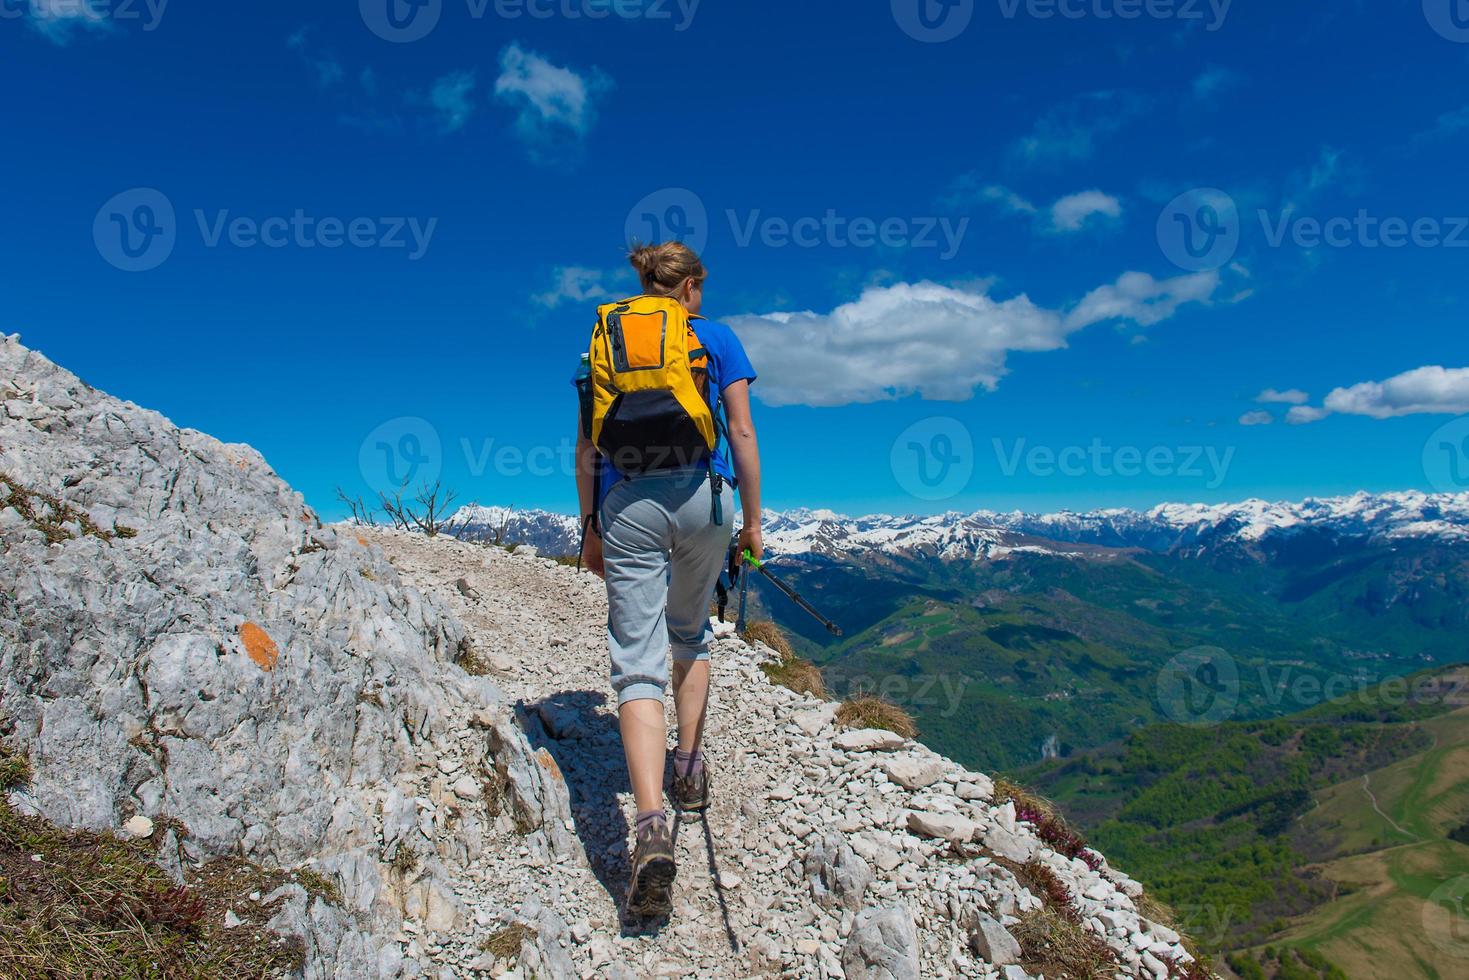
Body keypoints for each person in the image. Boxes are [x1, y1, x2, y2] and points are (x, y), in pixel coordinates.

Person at [574, 241, 763, 919]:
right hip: (703, 498)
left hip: (627, 503)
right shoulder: (714, 340)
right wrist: (753, 522)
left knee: (634, 665)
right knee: (690, 633)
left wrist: (590, 528)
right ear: (691, 287)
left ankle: (649, 824)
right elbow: (739, 432)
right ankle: (689, 769)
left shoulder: (603, 340)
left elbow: (587, 448)